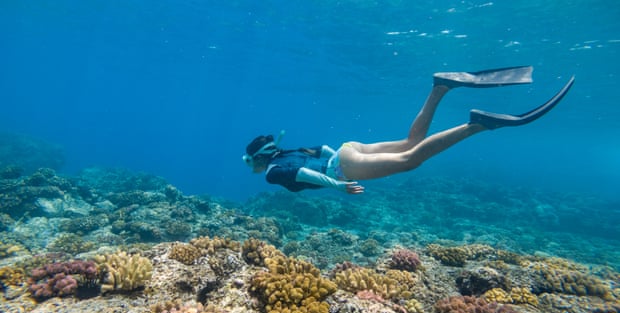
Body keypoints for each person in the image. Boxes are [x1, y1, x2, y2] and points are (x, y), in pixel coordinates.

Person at [243, 66, 574, 194]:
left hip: (346, 166)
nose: (251, 167)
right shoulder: (284, 153)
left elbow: (304, 174)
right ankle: (441, 87)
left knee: (411, 159)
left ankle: (477, 125)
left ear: (258, 159)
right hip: (347, 149)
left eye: (249, 162)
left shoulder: (273, 171)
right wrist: (338, 163)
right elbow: (320, 151)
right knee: (410, 141)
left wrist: (339, 184)